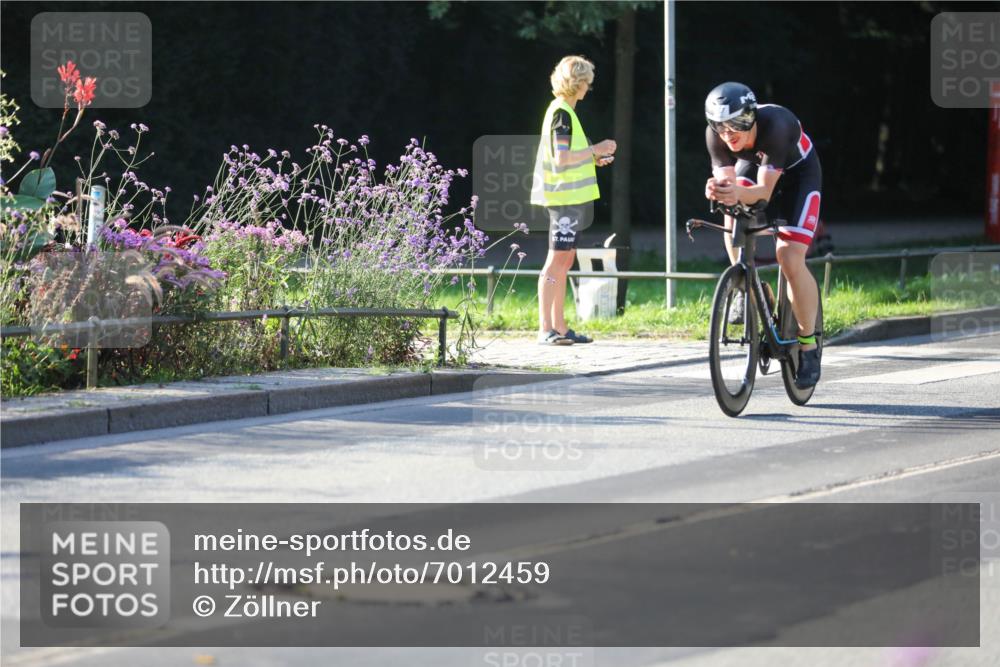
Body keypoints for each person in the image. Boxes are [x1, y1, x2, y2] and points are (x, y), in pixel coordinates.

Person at [703, 81, 822, 388]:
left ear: (750, 118)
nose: (728, 135)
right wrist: (719, 191)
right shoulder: (716, 138)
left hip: (797, 177)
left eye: (735, 126)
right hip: (755, 170)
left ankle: (809, 345)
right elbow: (731, 188)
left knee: (789, 257)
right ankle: (746, 285)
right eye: (720, 127)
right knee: (731, 208)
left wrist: (734, 193)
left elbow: (764, 192)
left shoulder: (776, 124)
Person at [530, 55, 616, 345]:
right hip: (564, 200)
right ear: (578, 83)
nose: (588, 88)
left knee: (564, 260)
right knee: (556, 260)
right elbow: (562, 159)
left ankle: (561, 328)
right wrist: (596, 149)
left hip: (570, 199)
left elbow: (567, 157)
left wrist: (593, 158)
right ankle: (546, 329)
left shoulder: (564, 111)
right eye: (587, 83)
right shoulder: (562, 113)